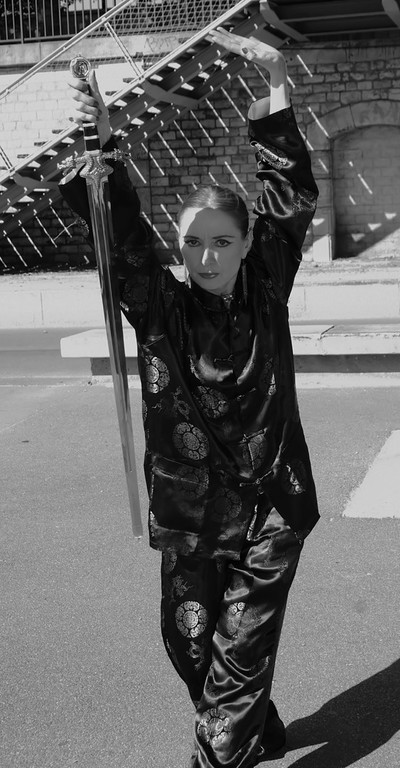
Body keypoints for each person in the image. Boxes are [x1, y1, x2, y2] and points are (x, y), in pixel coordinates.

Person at [61, 28, 320, 768]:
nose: (206, 258)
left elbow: (288, 193)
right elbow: (122, 236)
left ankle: (224, 749)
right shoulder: (159, 307)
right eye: (193, 243)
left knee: (240, 644)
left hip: (271, 502)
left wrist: (276, 81)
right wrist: (103, 144)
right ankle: (257, 724)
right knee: (189, 641)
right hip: (190, 509)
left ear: (247, 244)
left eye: (222, 242)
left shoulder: (268, 282)